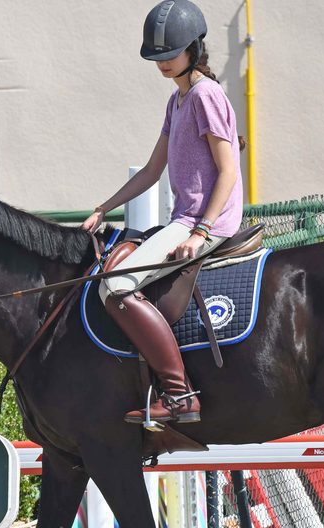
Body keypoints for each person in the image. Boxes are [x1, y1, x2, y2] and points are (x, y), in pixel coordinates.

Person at [82, 0, 243, 426]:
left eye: (169, 55)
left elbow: (228, 171)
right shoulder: (178, 101)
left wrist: (200, 232)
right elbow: (153, 170)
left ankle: (179, 394)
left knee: (114, 286)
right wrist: (104, 207)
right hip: (184, 220)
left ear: (193, 49)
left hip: (204, 223)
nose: (162, 64)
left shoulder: (207, 95)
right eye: (157, 58)